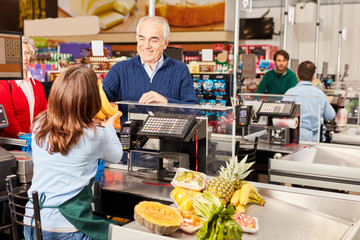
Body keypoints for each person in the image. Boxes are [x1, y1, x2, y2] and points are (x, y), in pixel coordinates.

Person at [23, 65, 123, 240]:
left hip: (31, 224)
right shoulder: (94, 135)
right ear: (91, 100)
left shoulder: (40, 125)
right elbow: (116, 156)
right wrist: (109, 128)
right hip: (67, 229)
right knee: (122, 232)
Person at [102, 15, 199, 106]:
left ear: (165, 43)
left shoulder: (180, 70)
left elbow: (194, 109)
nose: (146, 45)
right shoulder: (120, 69)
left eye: (153, 40)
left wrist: (167, 102)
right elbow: (97, 100)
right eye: (142, 39)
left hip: (167, 125)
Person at [0, 36, 47, 138]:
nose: (25, 58)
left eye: (27, 53)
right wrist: (23, 137)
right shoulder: (4, 84)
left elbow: (44, 115)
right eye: (19, 54)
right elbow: (8, 117)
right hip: (13, 145)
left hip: (34, 143)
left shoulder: (37, 85)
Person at [283, 61, 336, 142]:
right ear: (313, 76)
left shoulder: (290, 93)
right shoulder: (320, 94)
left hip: (295, 141)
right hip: (316, 141)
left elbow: (283, 117)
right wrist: (327, 101)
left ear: (297, 75)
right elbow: (331, 115)